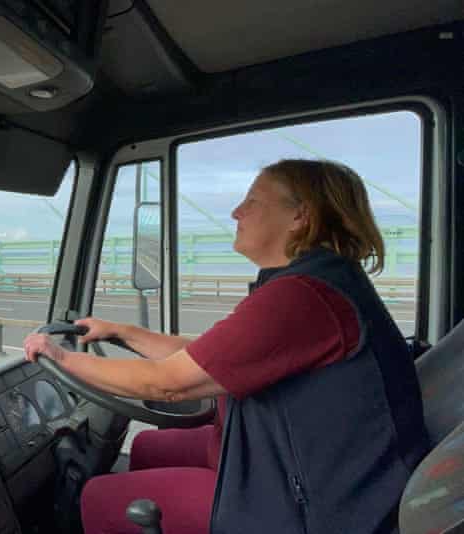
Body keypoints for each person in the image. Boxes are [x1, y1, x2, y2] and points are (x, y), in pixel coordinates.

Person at [24, 159, 429, 534]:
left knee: (97, 497)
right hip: (307, 466)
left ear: (300, 216)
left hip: (319, 508)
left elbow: (169, 385)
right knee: (146, 445)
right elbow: (209, 356)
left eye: (252, 201)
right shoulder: (319, 281)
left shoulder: (302, 296)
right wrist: (121, 332)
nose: (236, 212)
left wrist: (59, 356)